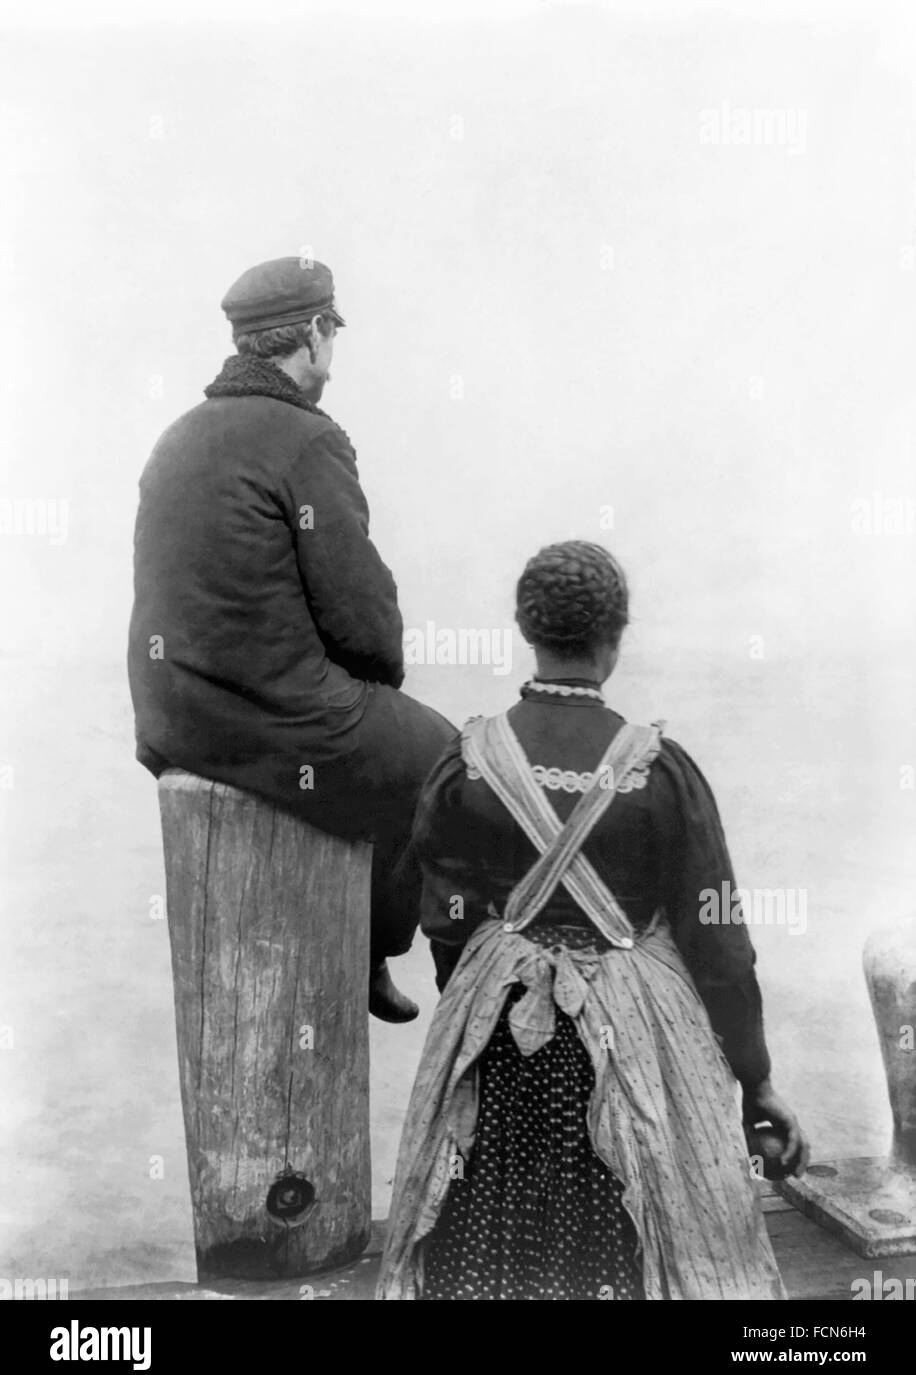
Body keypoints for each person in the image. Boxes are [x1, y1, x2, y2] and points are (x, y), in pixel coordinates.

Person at [378, 539, 808, 1299]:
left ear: (527, 629)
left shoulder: (468, 759)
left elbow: (445, 916)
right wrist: (756, 1078)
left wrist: (479, 1001)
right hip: (632, 1036)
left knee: (491, 1239)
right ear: (615, 637)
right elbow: (720, 947)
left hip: (500, 1031)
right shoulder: (660, 770)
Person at [128, 255, 454, 1022]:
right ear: (312, 332)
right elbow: (363, 624)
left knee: (387, 742)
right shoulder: (309, 440)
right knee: (448, 761)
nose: (331, 361)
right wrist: (375, 674)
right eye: (331, 335)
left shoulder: (176, 438)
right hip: (266, 719)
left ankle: (368, 951)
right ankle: (418, 976)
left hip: (172, 723)